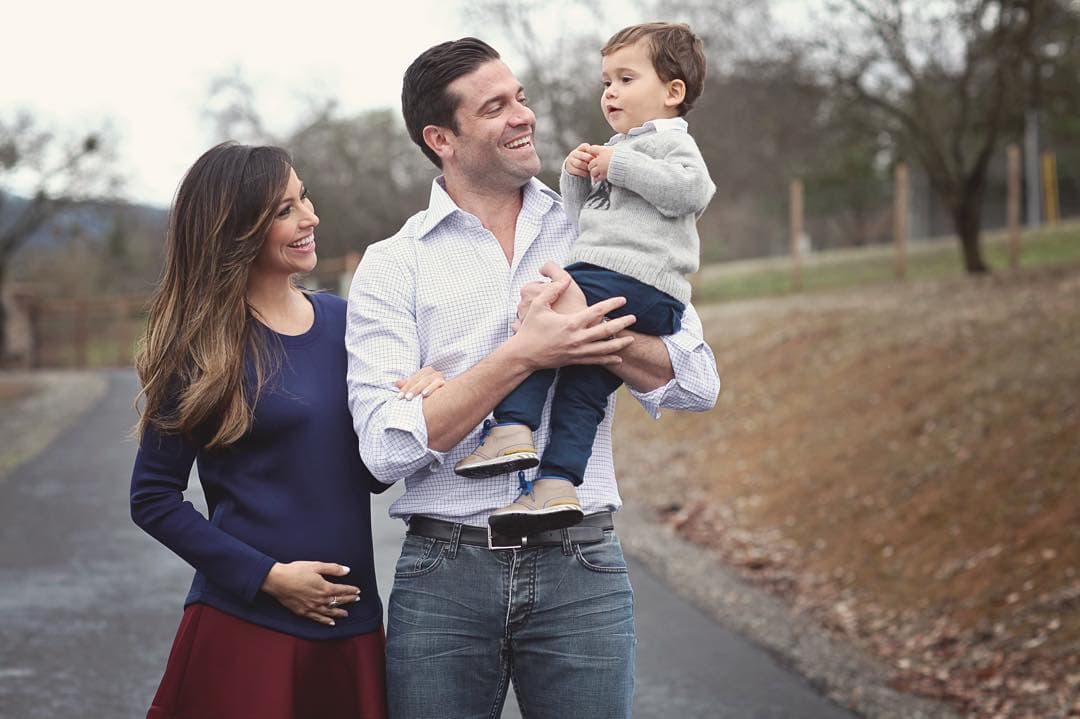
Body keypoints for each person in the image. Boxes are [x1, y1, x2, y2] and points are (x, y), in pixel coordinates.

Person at [345, 37, 720, 718]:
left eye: (520, 97)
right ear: (442, 138)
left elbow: (695, 382)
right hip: (444, 575)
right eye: (496, 107)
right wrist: (522, 354)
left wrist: (588, 338)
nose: (525, 116)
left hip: (583, 566)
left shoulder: (601, 218)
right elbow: (385, 448)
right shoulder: (392, 264)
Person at [129, 142, 435, 719]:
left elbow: (367, 473)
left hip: (351, 623)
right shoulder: (201, 348)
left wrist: (413, 403)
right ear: (236, 229)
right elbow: (152, 499)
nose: (310, 217)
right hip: (246, 624)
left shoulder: (348, 325)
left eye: (305, 198)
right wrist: (267, 577)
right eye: (284, 210)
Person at [454, 22, 715, 537]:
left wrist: (618, 165)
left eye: (625, 79)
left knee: (541, 317)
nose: (611, 92)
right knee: (583, 391)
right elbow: (583, 224)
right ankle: (557, 485)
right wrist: (575, 178)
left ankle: (512, 427)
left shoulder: (668, 144)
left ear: (672, 92)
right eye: (606, 82)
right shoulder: (624, 149)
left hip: (634, 280)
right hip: (617, 277)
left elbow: (692, 192)